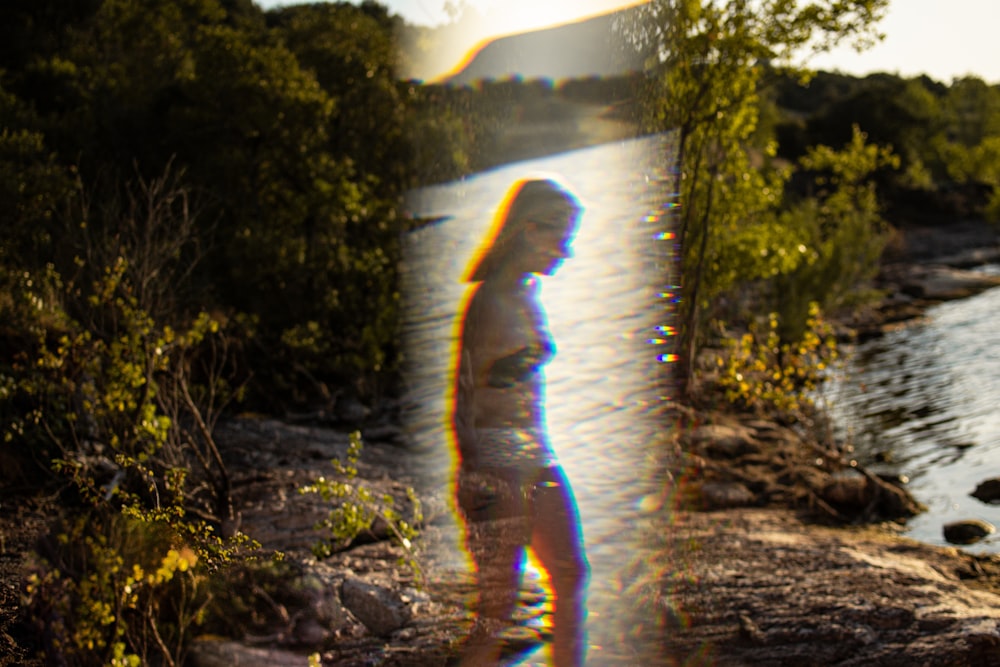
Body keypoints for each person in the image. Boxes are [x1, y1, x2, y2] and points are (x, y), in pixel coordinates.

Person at [451, 178, 589, 666]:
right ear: (529, 230)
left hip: (537, 453)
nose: (566, 251)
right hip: (497, 459)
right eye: (560, 237)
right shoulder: (488, 301)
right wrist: (475, 479)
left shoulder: (526, 291)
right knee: (498, 608)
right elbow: (464, 397)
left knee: (570, 574)